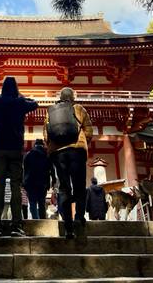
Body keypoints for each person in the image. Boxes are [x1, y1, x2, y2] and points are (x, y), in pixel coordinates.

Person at [0, 76, 38, 236]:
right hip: (16, 147)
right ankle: (17, 225)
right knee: (16, 185)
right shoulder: (20, 102)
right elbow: (35, 104)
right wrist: (22, 97)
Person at [44, 87, 93, 239]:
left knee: (64, 187)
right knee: (79, 186)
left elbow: (46, 134)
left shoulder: (50, 111)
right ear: (72, 97)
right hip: (77, 151)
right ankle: (79, 217)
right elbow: (89, 131)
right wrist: (84, 142)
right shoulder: (78, 108)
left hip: (58, 154)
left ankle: (68, 226)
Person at [23, 138, 55, 219]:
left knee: (32, 203)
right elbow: (52, 169)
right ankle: (42, 221)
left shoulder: (28, 154)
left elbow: (24, 169)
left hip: (30, 182)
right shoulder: (47, 155)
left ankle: (35, 219)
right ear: (43, 145)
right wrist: (53, 180)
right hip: (43, 183)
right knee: (41, 203)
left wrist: (24, 182)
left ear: (35, 145)